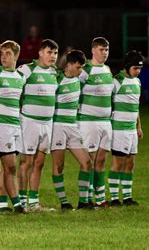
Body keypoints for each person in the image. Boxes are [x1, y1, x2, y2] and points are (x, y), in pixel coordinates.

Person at [17, 39, 59, 211]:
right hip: (30, 122)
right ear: (40, 52)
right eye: (50, 52)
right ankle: (21, 202)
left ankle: (33, 202)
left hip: (47, 123)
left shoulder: (54, 73)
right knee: (26, 161)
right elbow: (15, 89)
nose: (53, 56)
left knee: (40, 162)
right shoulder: (27, 70)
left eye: (55, 53)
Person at [50, 50, 94, 210]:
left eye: (82, 67)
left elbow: (94, 65)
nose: (81, 70)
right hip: (58, 127)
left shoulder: (80, 76)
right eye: (78, 67)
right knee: (59, 165)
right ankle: (64, 203)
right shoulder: (57, 80)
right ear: (69, 65)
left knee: (87, 163)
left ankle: (83, 202)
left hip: (73, 126)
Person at [0, 40, 25, 213]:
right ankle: (17, 204)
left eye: (8, 53)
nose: (4, 57)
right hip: (0, 125)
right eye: (2, 53)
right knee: (10, 165)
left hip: (15, 125)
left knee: (7, 166)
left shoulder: (20, 77)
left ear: (16, 55)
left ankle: (1, 204)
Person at [78, 37, 113, 208]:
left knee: (101, 161)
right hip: (88, 122)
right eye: (101, 49)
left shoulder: (107, 69)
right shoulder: (85, 70)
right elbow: (73, 91)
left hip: (106, 122)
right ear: (93, 50)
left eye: (106, 50)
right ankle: (86, 198)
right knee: (90, 161)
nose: (104, 53)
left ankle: (100, 198)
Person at [108, 51, 144, 207]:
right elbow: (107, 102)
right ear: (127, 67)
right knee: (118, 162)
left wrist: (139, 126)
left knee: (130, 163)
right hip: (119, 128)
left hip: (131, 129)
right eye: (135, 68)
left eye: (140, 69)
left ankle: (128, 197)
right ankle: (115, 198)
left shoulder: (137, 82)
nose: (138, 71)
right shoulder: (117, 82)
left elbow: (136, 107)